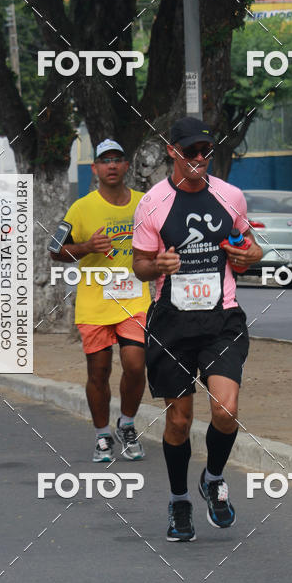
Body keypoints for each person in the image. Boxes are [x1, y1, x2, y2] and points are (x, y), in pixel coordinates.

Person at [132, 117, 263, 542]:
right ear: (173, 152)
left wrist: (246, 256)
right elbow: (139, 266)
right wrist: (159, 265)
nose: (200, 159)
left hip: (221, 319)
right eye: (191, 152)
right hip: (171, 323)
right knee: (179, 420)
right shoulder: (152, 204)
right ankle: (178, 500)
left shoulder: (230, 196)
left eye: (206, 151)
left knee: (225, 411)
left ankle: (212, 478)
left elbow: (253, 247)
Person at [50, 139, 150, 463]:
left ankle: (128, 423)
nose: (111, 166)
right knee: (99, 371)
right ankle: (103, 434)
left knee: (135, 365)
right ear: (95, 168)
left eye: (117, 160)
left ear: (126, 166)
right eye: (104, 161)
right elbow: (54, 249)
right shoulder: (81, 207)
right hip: (94, 300)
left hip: (133, 298)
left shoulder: (144, 203)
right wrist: (86, 247)